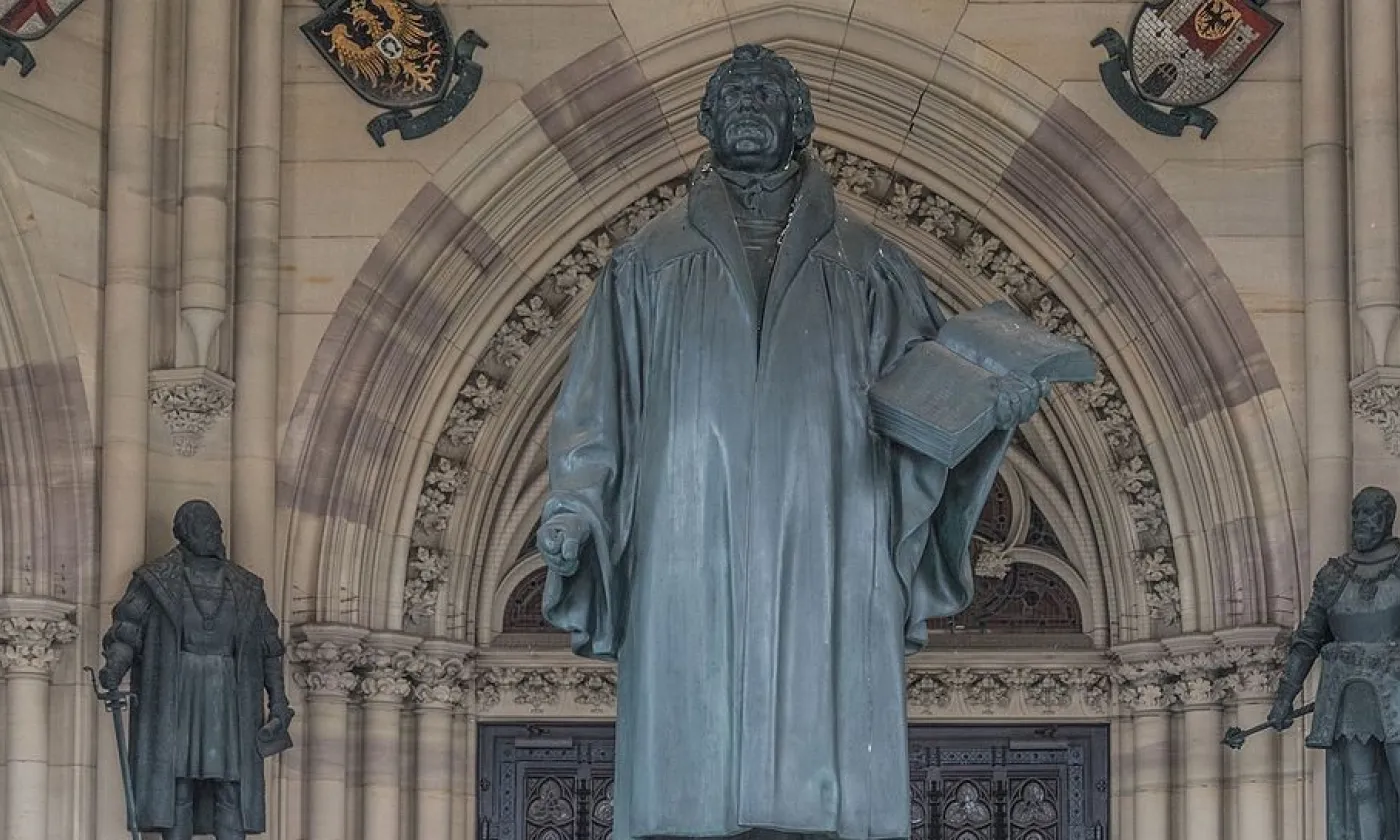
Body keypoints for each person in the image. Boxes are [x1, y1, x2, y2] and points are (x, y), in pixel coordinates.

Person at [536, 44, 1045, 840]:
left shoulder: (870, 262)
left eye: (765, 97)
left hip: (830, 522)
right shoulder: (644, 264)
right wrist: (573, 507)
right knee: (687, 747)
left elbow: (928, 403)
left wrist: (994, 407)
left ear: (797, 122)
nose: (746, 107)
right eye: (732, 96)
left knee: (826, 723)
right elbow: (594, 409)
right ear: (706, 122)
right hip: (687, 527)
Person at [99, 500, 293, 840]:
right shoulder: (156, 580)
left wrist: (278, 700)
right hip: (178, 692)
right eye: (207, 526)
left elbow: (268, 647)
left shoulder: (247, 586)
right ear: (185, 532)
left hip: (230, 695)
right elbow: (127, 630)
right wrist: (114, 668)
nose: (216, 532)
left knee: (232, 789)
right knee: (177, 787)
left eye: (217, 526)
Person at [1270, 486, 1400, 840]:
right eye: (1357, 513)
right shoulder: (1334, 575)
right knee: (1361, 787)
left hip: (1397, 688)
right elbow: (1307, 638)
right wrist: (1284, 697)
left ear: (1387, 520)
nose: (1361, 521)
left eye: (1371, 514)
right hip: (1349, 693)